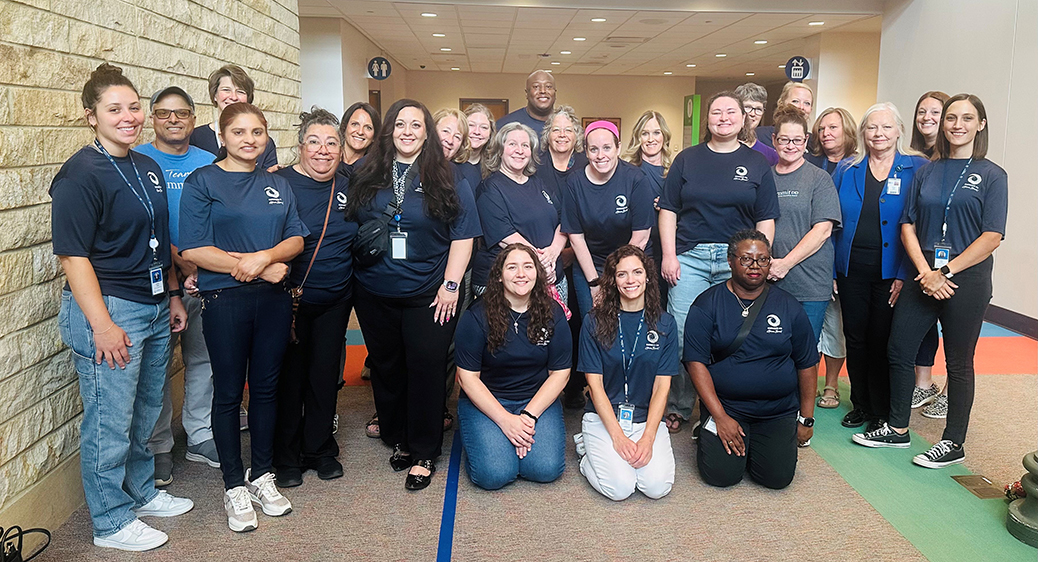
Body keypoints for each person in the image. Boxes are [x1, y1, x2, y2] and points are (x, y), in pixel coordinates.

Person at [51, 62, 192, 551]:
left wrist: (172, 294)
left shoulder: (145, 164)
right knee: (109, 419)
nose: (127, 116)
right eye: (115, 109)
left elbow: (161, 239)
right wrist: (103, 326)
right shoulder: (79, 173)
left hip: (154, 305)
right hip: (110, 311)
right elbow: (73, 256)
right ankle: (110, 521)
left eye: (134, 107)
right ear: (91, 116)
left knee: (144, 410)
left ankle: (140, 492)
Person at [855, 94, 1007, 470]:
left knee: (958, 363)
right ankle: (897, 427)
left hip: (964, 282)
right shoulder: (926, 170)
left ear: (980, 125)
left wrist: (946, 272)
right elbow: (907, 224)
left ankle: (953, 442)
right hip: (924, 277)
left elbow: (992, 236)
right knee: (899, 348)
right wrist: (925, 272)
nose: (957, 124)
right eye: (951, 118)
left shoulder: (991, 175)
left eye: (967, 118)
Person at [179, 102, 306, 532]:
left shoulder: (277, 185)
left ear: (266, 136)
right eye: (239, 132)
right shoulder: (204, 181)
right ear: (222, 135)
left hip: (271, 300)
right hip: (225, 302)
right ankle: (234, 484)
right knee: (229, 393)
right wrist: (250, 266)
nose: (249, 140)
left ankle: (262, 476)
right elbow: (193, 248)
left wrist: (268, 258)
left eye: (257, 132)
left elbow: (295, 238)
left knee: (267, 390)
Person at [346, 99, 481, 491]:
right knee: (387, 368)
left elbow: (464, 236)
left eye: (416, 125)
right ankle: (398, 436)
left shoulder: (450, 177)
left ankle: (424, 450)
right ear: (389, 130)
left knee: (425, 367)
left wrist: (451, 286)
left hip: (430, 293)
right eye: (400, 124)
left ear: (427, 133)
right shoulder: (366, 173)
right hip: (373, 291)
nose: (407, 131)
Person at [658, 91, 779, 434]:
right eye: (716, 112)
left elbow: (766, 218)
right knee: (682, 336)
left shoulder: (757, 164)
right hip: (690, 259)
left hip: (737, 263)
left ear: (743, 119)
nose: (723, 117)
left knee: (734, 337)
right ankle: (679, 405)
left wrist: (760, 262)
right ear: (706, 120)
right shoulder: (687, 159)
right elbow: (668, 210)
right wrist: (669, 255)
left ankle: (725, 408)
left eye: (730, 112)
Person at [684, 230, 818, 489]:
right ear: (730, 261)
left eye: (763, 259)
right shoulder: (706, 305)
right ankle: (708, 426)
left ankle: (762, 440)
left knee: (776, 479)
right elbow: (695, 363)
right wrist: (720, 417)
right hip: (727, 407)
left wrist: (806, 418)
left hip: (777, 411)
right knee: (721, 477)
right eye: (746, 259)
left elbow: (807, 363)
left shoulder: (789, 306)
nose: (755, 266)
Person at [135, 87, 219, 487]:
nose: (173, 120)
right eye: (164, 114)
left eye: (182, 113)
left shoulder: (209, 161)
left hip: (207, 278)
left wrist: (206, 263)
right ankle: (159, 445)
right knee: (157, 366)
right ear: (152, 118)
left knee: (204, 359)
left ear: (192, 117)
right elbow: (144, 225)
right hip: (158, 283)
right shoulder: (138, 161)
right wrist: (180, 259)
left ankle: (200, 434)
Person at [271, 108, 357, 487]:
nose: (323, 151)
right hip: (287, 299)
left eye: (331, 143)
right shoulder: (278, 183)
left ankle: (319, 447)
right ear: (300, 146)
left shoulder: (350, 182)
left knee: (324, 376)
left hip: (336, 298)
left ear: (341, 149)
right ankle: (286, 455)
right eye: (314, 142)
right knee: (289, 378)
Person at [831, 102, 928, 433]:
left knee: (882, 338)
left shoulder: (915, 168)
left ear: (899, 130)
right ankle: (860, 404)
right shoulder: (847, 169)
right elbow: (831, 222)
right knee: (855, 337)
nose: (879, 133)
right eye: (872, 127)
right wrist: (831, 270)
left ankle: (883, 410)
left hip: (892, 271)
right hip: (850, 268)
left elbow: (918, 224)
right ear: (862, 133)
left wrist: (904, 274)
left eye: (886, 127)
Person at [455, 244, 571, 489]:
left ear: (537, 273)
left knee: (545, 469)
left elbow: (560, 373)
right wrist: (506, 422)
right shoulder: (476, 316)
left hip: (536, 400)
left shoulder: (553, 313)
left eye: (528, 267)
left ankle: (511, 437)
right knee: (493, 475)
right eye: (512, 267)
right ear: (499, 275)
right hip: (489, 399)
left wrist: (528, 416)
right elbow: (467, 378)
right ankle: (485, 438)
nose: (521, 274)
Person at [577, 246, 678, 500]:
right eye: (622, 274)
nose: (630, 280)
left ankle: (611, 452)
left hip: (646, 419)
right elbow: (595, 386)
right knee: (620, 489)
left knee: (656, 488)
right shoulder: (593, 321)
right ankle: (587, 454)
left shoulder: (665, 323)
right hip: (604, 418)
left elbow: (661, 387)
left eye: (637, 272)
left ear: (647, 277)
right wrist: (618, 437)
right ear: (612, 280)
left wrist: (647, 438)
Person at [563, 121, 654, 318]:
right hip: (590, 265)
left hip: (630, 264)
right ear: (586, 152)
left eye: (607, 148)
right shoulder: (574, 182)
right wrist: (596, 284)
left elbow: (640, 237)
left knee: (631, 322)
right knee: (596, 324)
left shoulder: (636, 179)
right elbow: (576, 238)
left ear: (618, 148)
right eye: (593, 149)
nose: (600, 155)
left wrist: (618, 277)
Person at [767, 105, 841, 345]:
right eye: (785, 139)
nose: (791, 146)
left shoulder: (819, 179)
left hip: (809, 283)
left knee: (804, 352)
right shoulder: (764, 178)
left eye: (797, 140)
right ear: (774, 140)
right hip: (770, 281)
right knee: (772, 350)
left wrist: (784, 264)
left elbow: (822, 231)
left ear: (807, 140)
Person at [804, 106, 858, 408]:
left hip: (841, 253)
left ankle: (832, 384)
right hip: (811, 256)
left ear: (846, 130)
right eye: (822, 129)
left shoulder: (857, 167)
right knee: (808, 328)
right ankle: (807, 382)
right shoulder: (811, 163)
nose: (826, 134)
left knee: (835, 327)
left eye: (833, 128)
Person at [474, 123, 566, 299]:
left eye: (525, 145)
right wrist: (540, 264)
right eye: (512, 144)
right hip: (508, 283)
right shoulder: (489, 188)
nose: (520, 150)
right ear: (500, 150)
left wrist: (553, 252)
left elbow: (564, 218)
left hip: (552, 276)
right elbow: (504, 236)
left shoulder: (538, 182)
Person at [906, 91, 952, 415]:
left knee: (954, 328)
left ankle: (950, 391)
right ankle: (923, 384)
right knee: (922, 323)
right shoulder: (916, 161)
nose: (926, 118)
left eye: (935, 112)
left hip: (955, 257)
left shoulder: (960, 163)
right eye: (922, 112)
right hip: (920, 255)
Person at [621, 110, 674, 309]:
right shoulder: (628, 171)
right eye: (645, 133)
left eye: (656, 133)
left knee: (666, 305)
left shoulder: (675, 170)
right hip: (641, 248)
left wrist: (670, 205)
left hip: (670, 249)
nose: (651, 139)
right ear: (638, 137)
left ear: (664, 136)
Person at [190, 64, 278, 170]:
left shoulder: (263, 143)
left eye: (240, 91)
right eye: (226, 90)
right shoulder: (195, 137)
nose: (233, 97)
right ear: (215, 95)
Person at [756, 82, 814, 149]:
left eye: (807, 103)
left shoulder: (813, 143)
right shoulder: (761, 135)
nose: (801, 107)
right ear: (782, 103)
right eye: (795, 101)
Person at [735, 83, 779, 165]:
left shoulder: (771, 155)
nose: (753, 114)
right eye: (747, 107)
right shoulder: (721, 147)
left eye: (758, 109)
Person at [806, 107, 857, 174]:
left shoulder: (859, 164)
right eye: (821, 129)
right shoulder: (808, 162)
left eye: (832, 127)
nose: (825, 133)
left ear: (847, 130)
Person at [340, 101, 381, 178]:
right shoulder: (329, 159)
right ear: (344, 127)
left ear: (374, 136)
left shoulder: (375, 171)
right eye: (355, 124)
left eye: (368, 128)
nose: (360, 132)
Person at [464, 103, 496, 189]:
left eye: (484, 127)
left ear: (490, 133)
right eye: (471, 125)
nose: (477, 132)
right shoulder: (450, 161)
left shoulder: (494, 166)